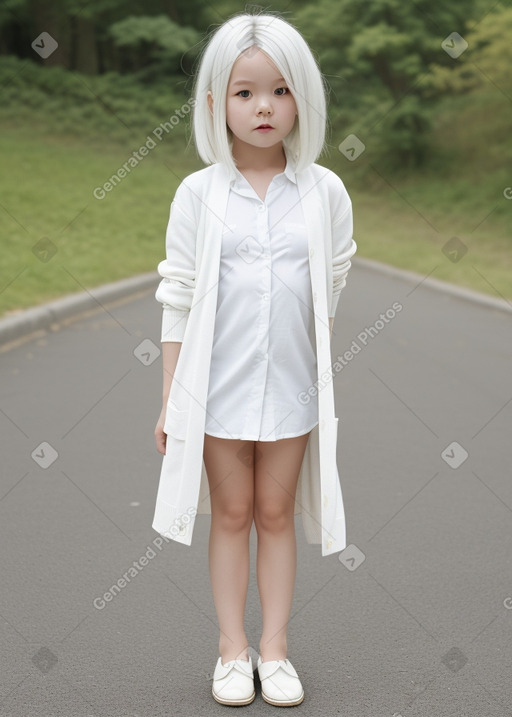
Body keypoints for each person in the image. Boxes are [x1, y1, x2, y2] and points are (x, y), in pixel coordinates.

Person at [153, 10, 357, 708]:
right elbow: (176, 297)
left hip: (294, 388)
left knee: (276, 512)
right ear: (216, 102)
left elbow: (330, 285)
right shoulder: (199, 194)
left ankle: (275, 647)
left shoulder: (324, 191)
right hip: (216, 388)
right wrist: (170, 396)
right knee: (232, 512)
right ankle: (231, 649)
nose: (263, 106)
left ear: (302, 97)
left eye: (279, 90)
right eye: (244, 92)